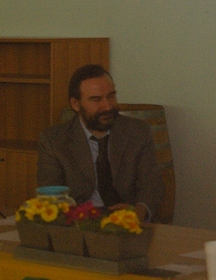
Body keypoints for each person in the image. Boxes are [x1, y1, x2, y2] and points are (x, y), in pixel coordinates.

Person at [37, 64, 164, 222]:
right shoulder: (53, 140)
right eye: (96, 99)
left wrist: (139, 211)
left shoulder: (137, 132)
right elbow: (51, 196)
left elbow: (151, 184)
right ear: (76, 104)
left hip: (126, 220)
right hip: (78, 222)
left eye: (111, 96)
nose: (108, 106)